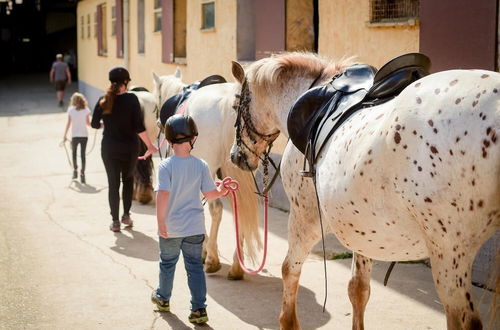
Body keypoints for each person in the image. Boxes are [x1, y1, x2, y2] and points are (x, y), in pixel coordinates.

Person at [151, 114, 229, 325]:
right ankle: (198, 309)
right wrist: (221, 191)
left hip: (171, 228)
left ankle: (163, 299)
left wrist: (160, 222)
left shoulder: (165, 166)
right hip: (195, 228)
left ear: (168, 141)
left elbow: (163, 195)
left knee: (167, 264)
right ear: (193, 139)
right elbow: (210, 194)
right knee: (194, 267)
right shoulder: (201, 165)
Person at [91, 66, 158, 232]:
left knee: (113, 184)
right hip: (130, 150)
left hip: (109, 149)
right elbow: (138, 127)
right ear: (126, 82)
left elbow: (94, 124)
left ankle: (115, 222)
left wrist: (107, 124)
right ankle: (126, 216)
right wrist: (150, 146)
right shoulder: (132, 100)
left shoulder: (103, 100)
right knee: (127, 181)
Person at [63, 92, 91, 183]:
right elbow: (88, 123)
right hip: (84, 136)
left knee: (74, 154)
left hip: (74, 136)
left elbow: (68, 123)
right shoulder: (86, 110)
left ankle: (75, 170)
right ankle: (82, 174)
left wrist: (65, 135)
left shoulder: (71, 110)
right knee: (83, 155)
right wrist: (101, 125)